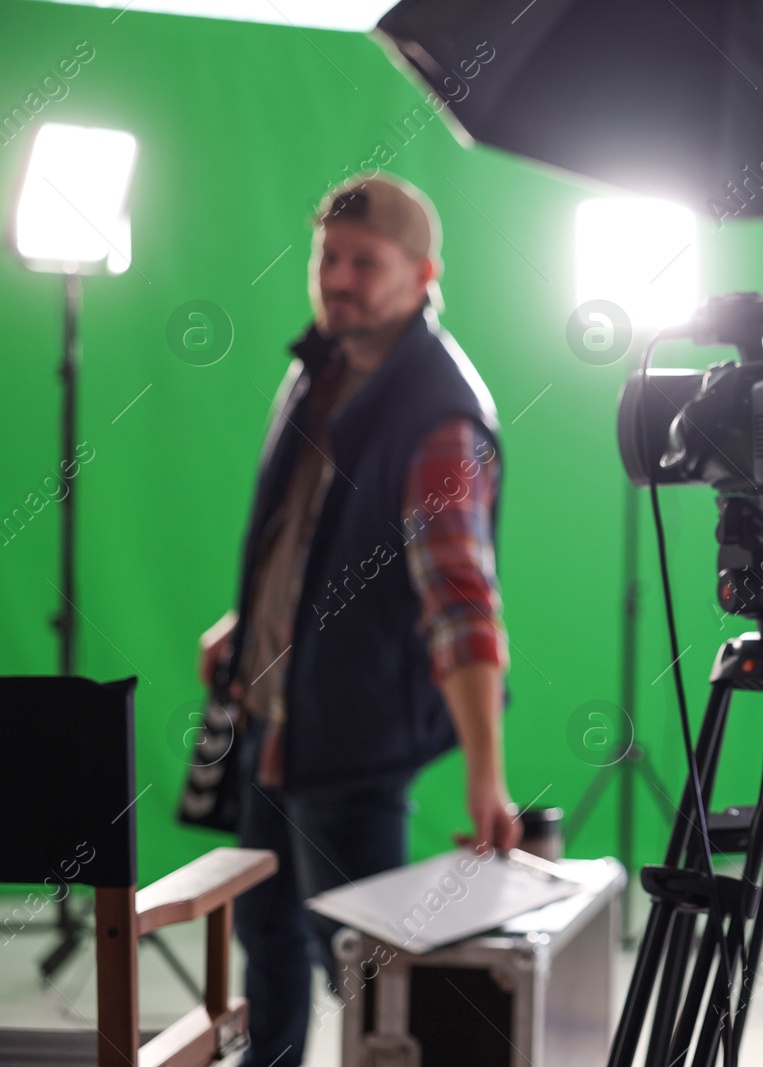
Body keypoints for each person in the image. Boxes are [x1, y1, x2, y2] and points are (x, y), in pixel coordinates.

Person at [195, 173, 520, 1067]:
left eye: (364, 263)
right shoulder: (323, 368)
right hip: (275, 724)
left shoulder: (438, 421)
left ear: (423, 274)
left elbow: (460, 605)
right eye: (327, 257)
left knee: (375, 985)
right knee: (269, 946)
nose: (338, 279)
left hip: (351, 741)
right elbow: (305, 534)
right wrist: (247, 623)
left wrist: (485, 780)